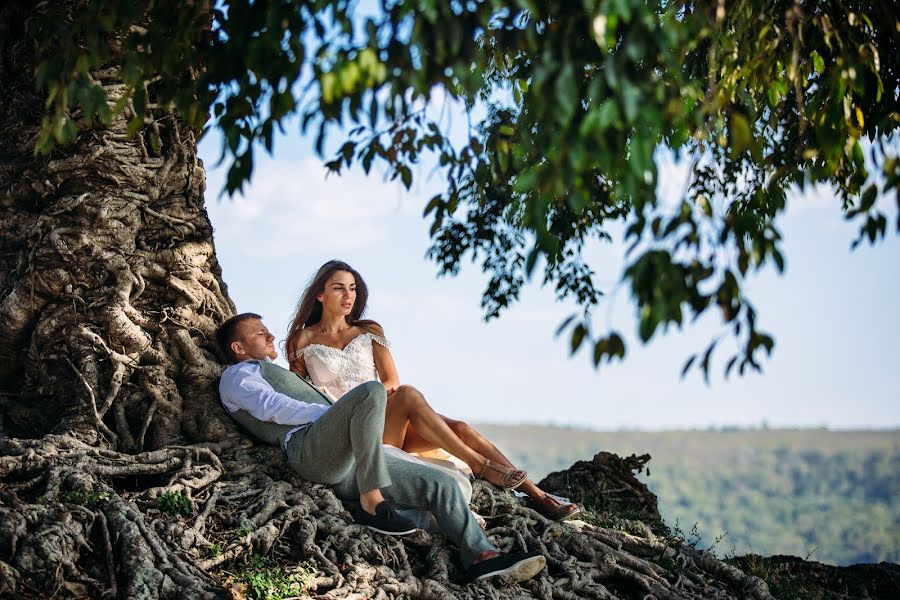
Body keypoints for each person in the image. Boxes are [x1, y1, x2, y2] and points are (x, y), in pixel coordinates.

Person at [216, 313, 546, 583]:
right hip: (309, 451)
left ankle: (481, 556)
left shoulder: (268, 369)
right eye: (260, 333)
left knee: (441, 484)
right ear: (239, 347)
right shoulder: (238, 375)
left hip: (351, 458)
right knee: (372, 390)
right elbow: (270, 406)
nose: (270, 335)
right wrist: (337, 413)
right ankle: (373, 502)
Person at [285, 260, 581, 521]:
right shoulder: (302, 340)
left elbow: (391, 381)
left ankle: (538, 495)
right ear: (320, 295)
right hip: (346, 430)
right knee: (412, 397)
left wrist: (374, 398)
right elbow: (299, 394)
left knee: (459, 427)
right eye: (339, 288)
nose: (348, 295)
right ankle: (481, 465)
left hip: (382, 415)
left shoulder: (368, 331)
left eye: (352, 288)